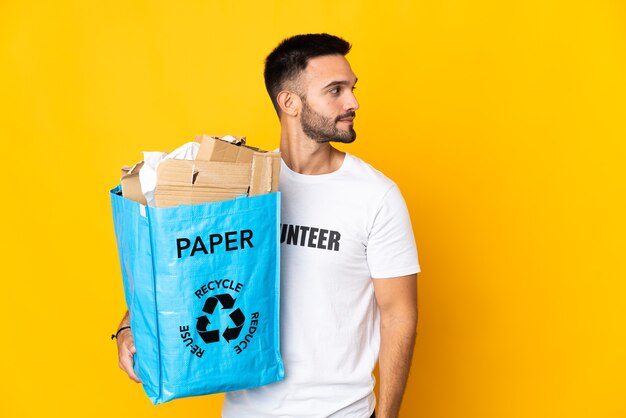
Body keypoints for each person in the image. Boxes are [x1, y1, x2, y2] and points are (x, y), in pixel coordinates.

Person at [115, 33, 420, 418]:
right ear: (289, 102)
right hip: (247, 410)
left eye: (352, 89)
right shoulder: (243, 185)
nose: (353, 102)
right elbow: (178, 267)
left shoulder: (376, 196)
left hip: (342, 411)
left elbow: (399, 316)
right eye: (336, 91)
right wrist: (128, 327)